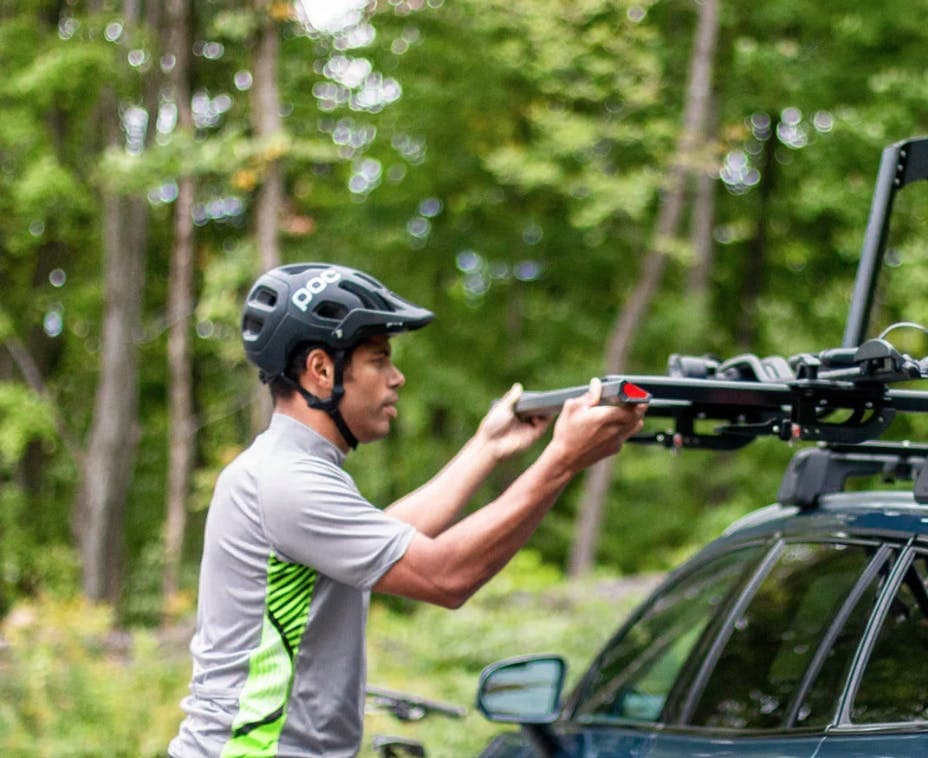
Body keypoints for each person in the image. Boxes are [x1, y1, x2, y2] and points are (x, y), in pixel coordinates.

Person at [169, 262, 646, 757]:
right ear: (321, 369)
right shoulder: (286, 481)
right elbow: (445, 576)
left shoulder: (289, 469)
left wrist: (486, 446)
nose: (397, 378)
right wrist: (562, 461)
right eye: (379, 360)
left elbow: (389, 535)